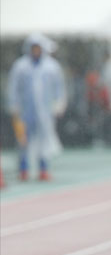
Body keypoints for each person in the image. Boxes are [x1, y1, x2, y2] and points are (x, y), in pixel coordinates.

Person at [7, 33, 67, 181]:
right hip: (25, 111)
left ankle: (43, 169)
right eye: (33, 48)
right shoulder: (20, 66)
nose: (36, 50)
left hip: (45, 112)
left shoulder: (51, 66)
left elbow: (59, 87)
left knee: (44, 140)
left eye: (38, 48)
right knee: (23, 141)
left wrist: (59, 103)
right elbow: (13, 87)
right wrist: (13, 105)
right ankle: (23, 169)